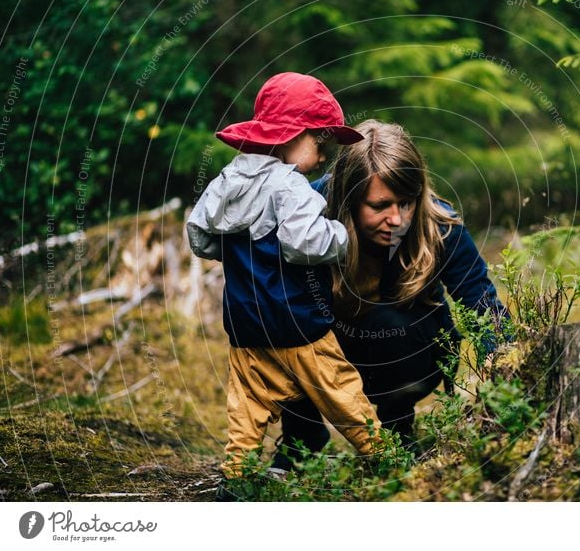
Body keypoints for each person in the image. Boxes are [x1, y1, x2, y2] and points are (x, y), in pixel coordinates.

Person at [186, 73, 382, 493]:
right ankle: (385, 458)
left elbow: (199, 234)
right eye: (320, 143)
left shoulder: (228, 179)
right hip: (298, 321)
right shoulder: (290, 185)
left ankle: (236, 478)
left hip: (245, 323)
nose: (325, 156)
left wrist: (236, 250)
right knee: (340, 391)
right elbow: (302, 241)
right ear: (291, 135)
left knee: (248, 404)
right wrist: (343, 238)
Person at [274, 119, 508, 468]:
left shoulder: (440, 224)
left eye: (406, 203)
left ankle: (398, 426)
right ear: (350, 199)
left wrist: (511, 378)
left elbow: (482, 302)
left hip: (412, 346)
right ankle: (301, 436)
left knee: (389, 321)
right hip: (328, 347)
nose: (397, 219)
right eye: (380, 206)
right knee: (281, 314)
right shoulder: (307, 213)